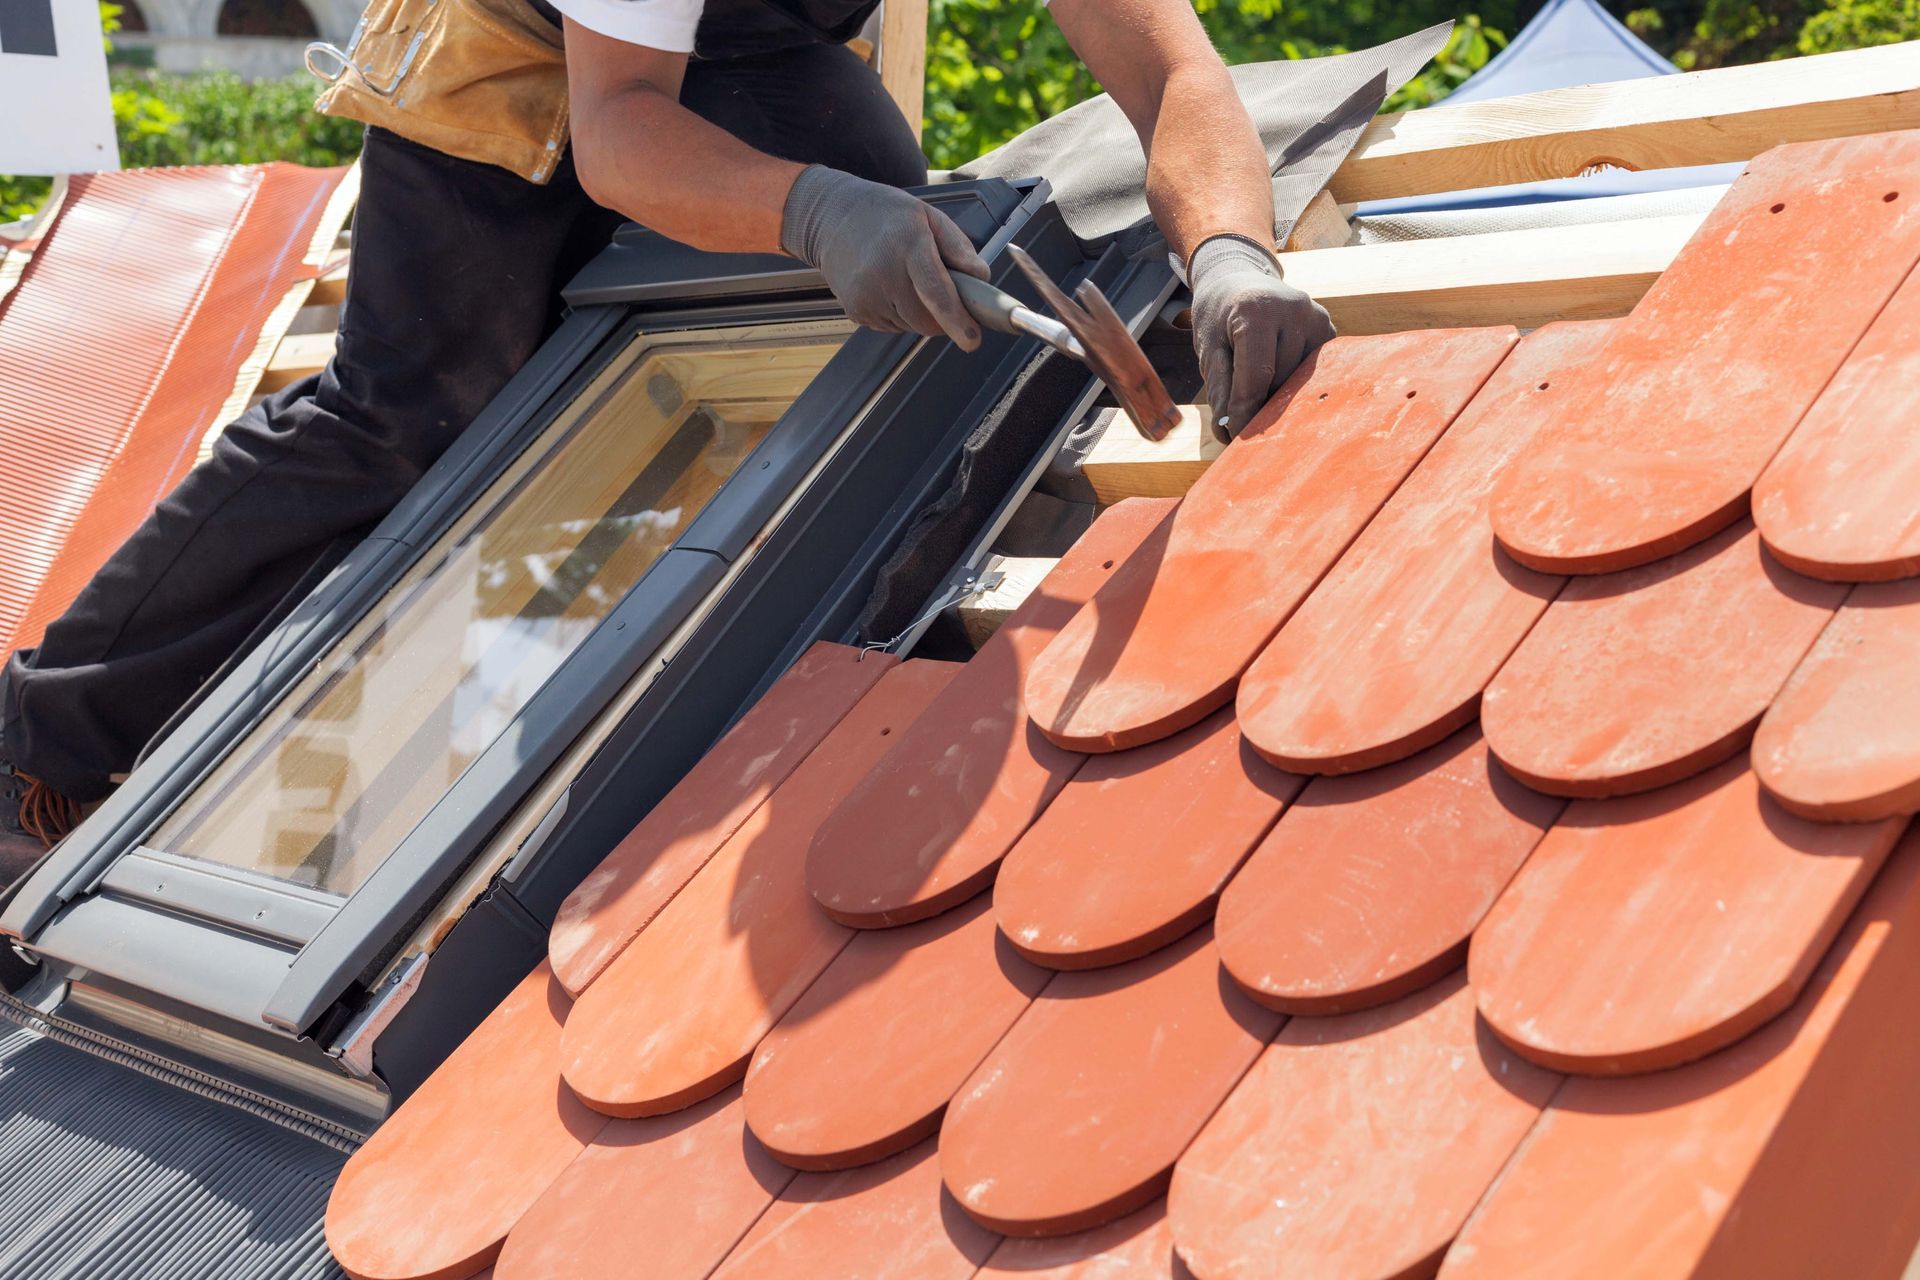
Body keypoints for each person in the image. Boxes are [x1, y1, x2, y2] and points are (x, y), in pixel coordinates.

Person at [0, 0, 1333, 861]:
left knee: (878, 206)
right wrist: (812, 216)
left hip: (746, 49)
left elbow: (1174, 74)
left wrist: (1230, 248)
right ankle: (39, 746)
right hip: (508, 51)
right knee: (406, 418)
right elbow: (621, 128)